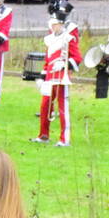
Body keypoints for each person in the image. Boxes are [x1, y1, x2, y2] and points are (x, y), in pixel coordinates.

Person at [31, 10, 81, 148]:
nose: (52, 27)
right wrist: (42, 76)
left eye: (55, 25)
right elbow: (48, 60)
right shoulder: (50, 39)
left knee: (63, 108)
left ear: (61, 24)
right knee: (44, 106)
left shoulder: (68, 39)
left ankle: (64, 139)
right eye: (52, 25)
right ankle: (43, 135)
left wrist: (65, 64)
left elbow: (77, 58)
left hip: (61, 77)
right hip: (50, 77)